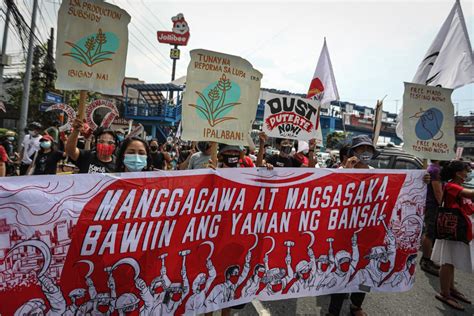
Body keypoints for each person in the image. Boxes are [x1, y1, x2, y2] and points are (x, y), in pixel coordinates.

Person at [327, 135, 380, 316]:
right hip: (344, 230)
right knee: (341, 269)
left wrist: (423, 179)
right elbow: (332, 196)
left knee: (366, 270)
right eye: (361, 149)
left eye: (369, 149)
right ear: (353, 152)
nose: (365, 153)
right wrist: (346, 171)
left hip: (367, 230)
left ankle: (357, 305)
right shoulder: (342, 170)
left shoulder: (378, 172)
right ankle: (333, 310)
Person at [431, 160, 473, 311]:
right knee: (448, 262)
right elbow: (471, 194)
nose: (467, 174)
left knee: (451, 260)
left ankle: (450, 289)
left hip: (456, 229)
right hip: (451, 229)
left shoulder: (456, 185)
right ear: (458, 173)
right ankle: (445, 293)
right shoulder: (451, 186)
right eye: (465, 171)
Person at [420, 160, 443, 276]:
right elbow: (438, 192)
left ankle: (428, 258)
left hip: (430, 205)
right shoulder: (435, 170)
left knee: (430, 232)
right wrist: (443, 206)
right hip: (433, 205)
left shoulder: (433, 168)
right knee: (430, 233)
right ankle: (426, 260)